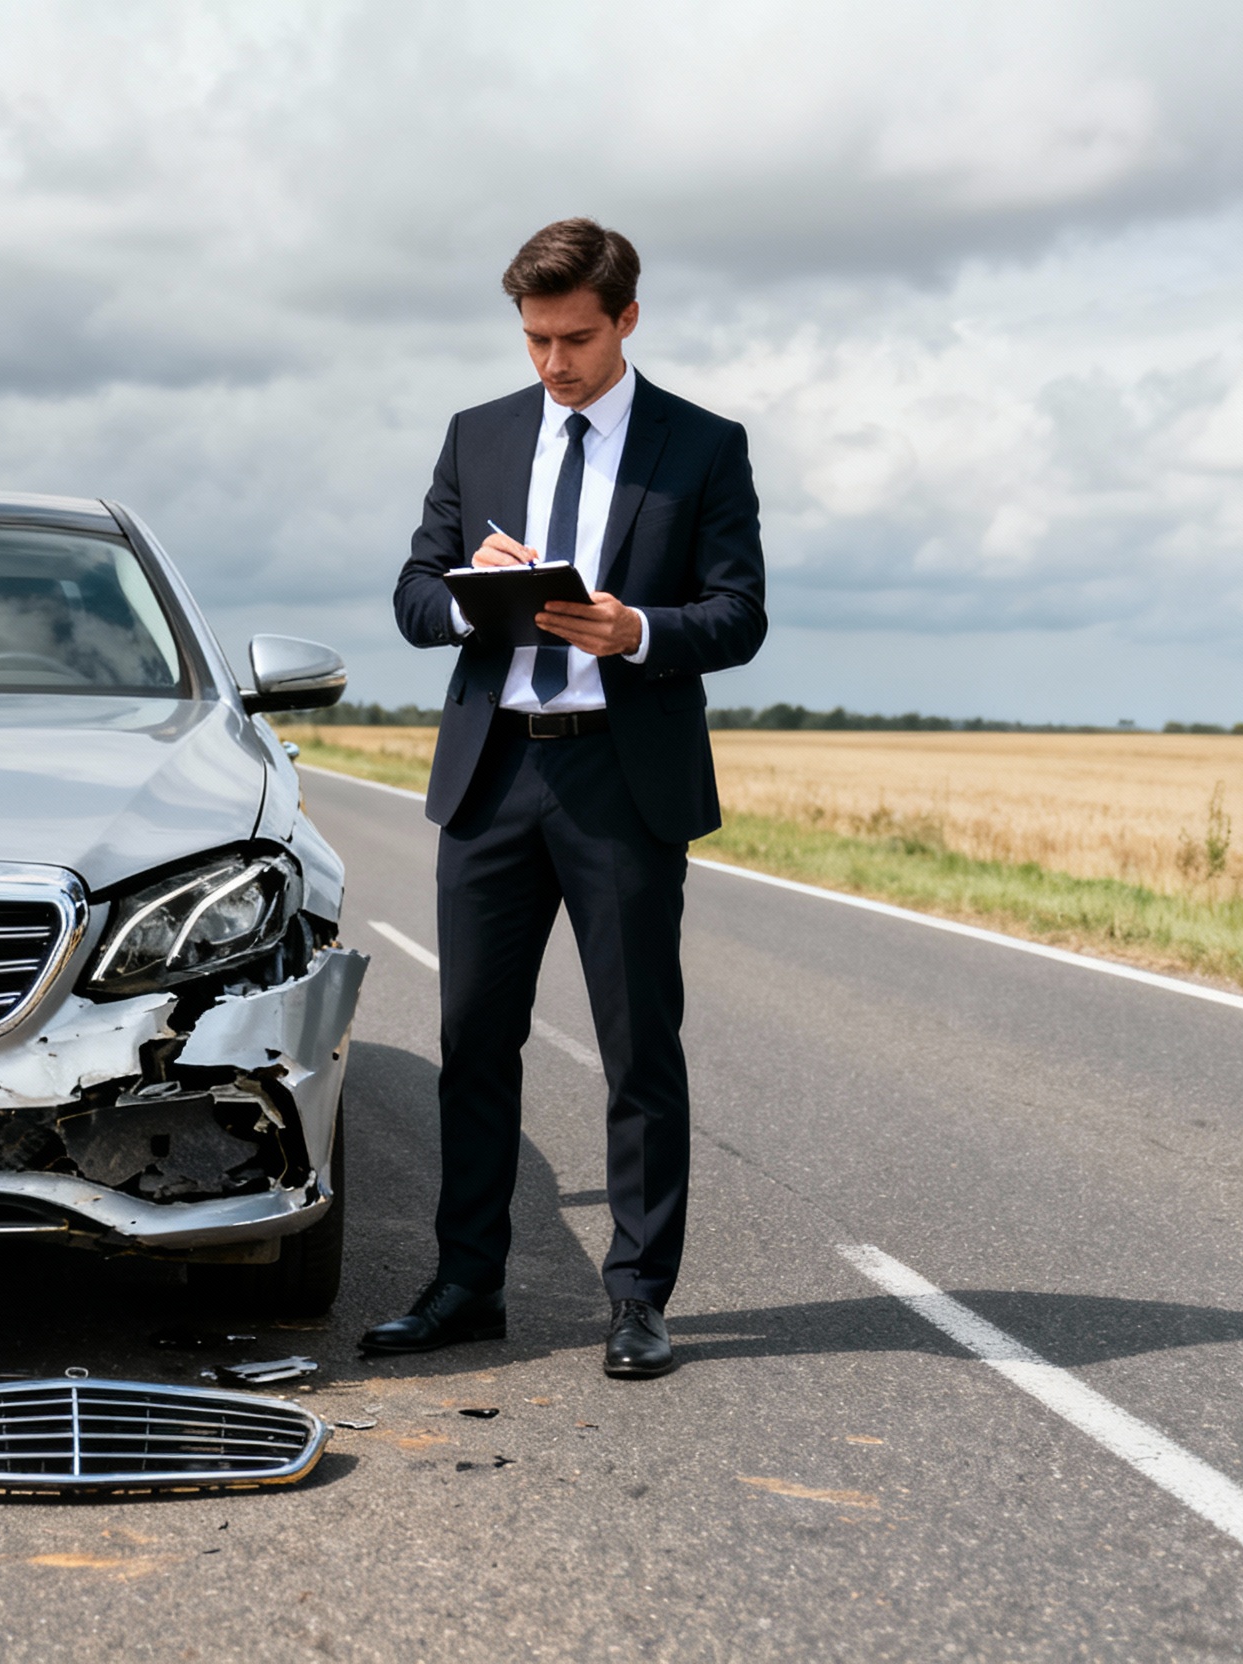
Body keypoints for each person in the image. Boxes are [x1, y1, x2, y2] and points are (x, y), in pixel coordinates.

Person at [363, 218, 766, 1378]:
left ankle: (640, 1296)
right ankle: (465, 1284)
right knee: (473, 1043)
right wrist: (456, 589)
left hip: (620, 776)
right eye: (536, 338)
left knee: (640, 1047)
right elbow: (407, 592)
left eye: (576, 337)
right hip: (494, 775)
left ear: (627, 318)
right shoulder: (476, 434)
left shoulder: (703, 446)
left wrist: (637, 628)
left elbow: (738, 613)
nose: (554, 362)